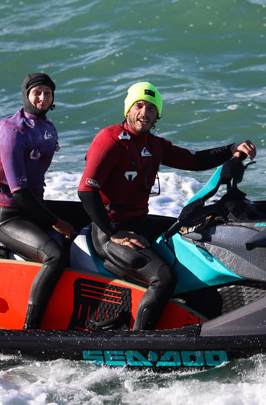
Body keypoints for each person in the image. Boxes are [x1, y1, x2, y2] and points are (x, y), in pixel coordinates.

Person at [77, 81, 256, 331]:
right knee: (164, 276)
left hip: (140, 223)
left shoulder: (154, 145)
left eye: (151, 108)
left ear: (157, 114)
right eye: (139, 106)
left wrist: (231, 149)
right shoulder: (109, 140)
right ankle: (139, 342)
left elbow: (194, 160)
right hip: (109, 232)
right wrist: (113, 233)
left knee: (195, 234)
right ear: (128, 109)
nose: (144, 112)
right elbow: (86, 190)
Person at [0, 72, 75, 329]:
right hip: (9, 215)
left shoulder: (47, 127)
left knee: (85, 222)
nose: (42, 98)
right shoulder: (11, 131)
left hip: (33, 208)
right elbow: (20, 193)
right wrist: (57, 223)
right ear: (26, 94)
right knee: (54, 255)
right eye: (37, 93)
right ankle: (31, 327)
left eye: (47, 93)